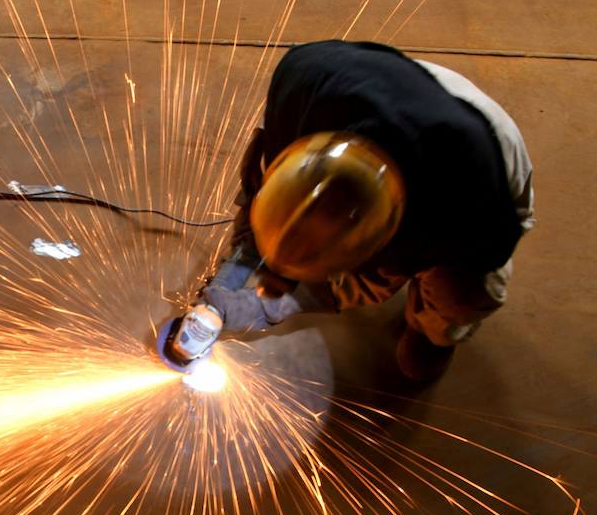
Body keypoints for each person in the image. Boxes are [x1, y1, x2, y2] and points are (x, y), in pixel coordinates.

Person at [186, 40, 534, 381]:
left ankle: (434, 331)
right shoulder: (302, 79)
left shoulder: (455, 216)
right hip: (395, 85)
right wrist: (235, 271)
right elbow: (263, 188)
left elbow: (370, 284)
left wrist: (268, 307)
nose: (274, 282)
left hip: (484, 150)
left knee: (462, 293)